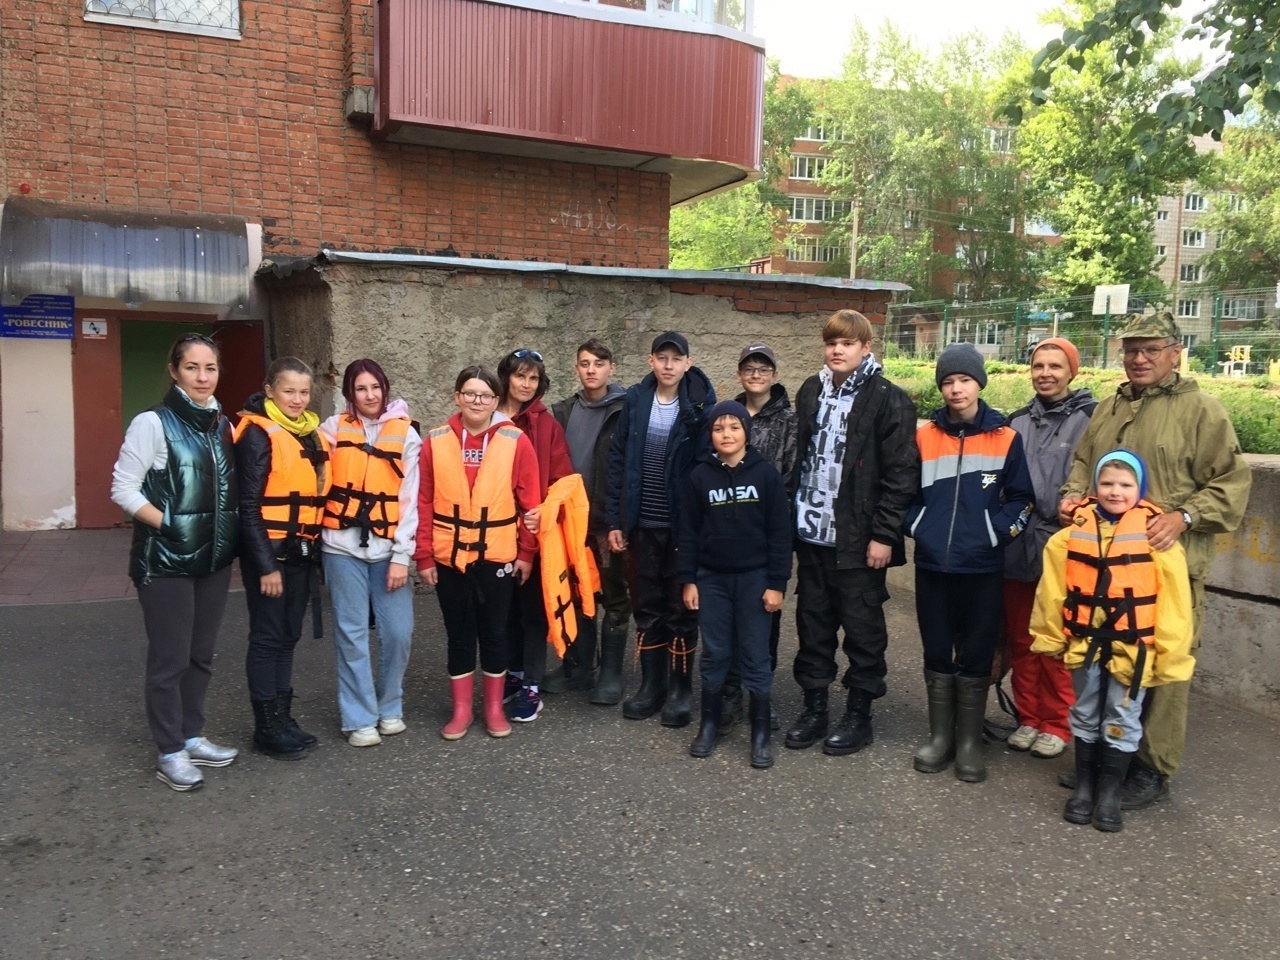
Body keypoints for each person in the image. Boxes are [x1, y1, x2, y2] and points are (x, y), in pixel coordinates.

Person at [1058, 312, 1251, 808]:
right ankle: (1102, 761)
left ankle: (1150, 769)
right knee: (1101, 661)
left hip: (1169, 568)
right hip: (1103, 569)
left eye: (1151, 349)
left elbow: (1230, 482)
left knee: (1160, 668)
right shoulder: (1108, 407)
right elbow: (1084, 462)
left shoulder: (1202, 410)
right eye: (1131, 350)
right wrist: (1074, 495)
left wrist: (1185, 516)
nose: (1139, 359)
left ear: (1175, 351)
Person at [1032, 451, 1194, 832]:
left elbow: (1175, 604)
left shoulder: (1158, 542)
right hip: (1084, 640)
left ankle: (1109, 792)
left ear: (1140, 490)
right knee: (1086, 710)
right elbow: (1052, 591)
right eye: (1107, 484)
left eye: (1125, 485)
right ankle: (1085, 788)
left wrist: (1170, 654)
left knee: (1123, 715)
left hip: (1132, 648)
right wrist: (1050, 636)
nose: (1115, 492)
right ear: (1094, 488)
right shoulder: (1068, 538)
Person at [785, 311, 920, 756]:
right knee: (813, 625)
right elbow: (799, 459)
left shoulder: (888, 399)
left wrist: (884, 535)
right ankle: (815, 709)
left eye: (847, 343)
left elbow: (901, 475)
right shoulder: (810, 391)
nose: (837, 350)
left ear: (865, 347)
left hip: (860, 543)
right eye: (831, 342)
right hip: (812, 535)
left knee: (863, 631)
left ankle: (859, 715)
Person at [111, 333, 240, 791]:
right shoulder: (153, 423)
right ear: (174, 370)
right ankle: (170, 751)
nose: (202, 377)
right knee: (169, 660)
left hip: (213, 559)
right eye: (192, 367)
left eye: (210, 368)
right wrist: (170, 525)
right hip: (165, 561)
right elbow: (123, 489)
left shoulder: (221, 424)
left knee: (200, 655)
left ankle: (191, 734)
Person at [908, 342, 1034, 783]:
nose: (955, 389)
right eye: (947, 381)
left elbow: (1022, 499)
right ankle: (940, 739)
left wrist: (994, 533)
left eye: (963, 380)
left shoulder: (1006, 438)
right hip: (933, 564)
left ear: (979, 382)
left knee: (977, 653)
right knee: (937, 649)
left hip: (982, 566)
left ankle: (968, 744)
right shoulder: (924, 436)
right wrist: (918, 525)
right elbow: (904, 492)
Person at [413, 365, 542, 741]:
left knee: (495, 632)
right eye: (469, 393)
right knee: (458, 633)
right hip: (448, 555)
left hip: (497, 554)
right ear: (457, 397)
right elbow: (422, 502)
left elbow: (529, 502)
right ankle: (462, 709)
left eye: (485, 395)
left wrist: (527, 553)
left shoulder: (515, 440)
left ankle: (492, 708)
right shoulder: (435, 441)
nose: (477, 401)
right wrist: (422, 555)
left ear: (496, 401)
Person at [605, 330, 716, 728]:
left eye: (676, 359)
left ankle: (680, 689)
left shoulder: (702, 407)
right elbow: (619, 461)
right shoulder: (635, 401)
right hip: (641, 525)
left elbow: (707, 471)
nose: (668, 365)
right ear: (651, 361)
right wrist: (617, 520)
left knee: (681, 608)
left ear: (688, 363)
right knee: (646, 606)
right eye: (661, 357)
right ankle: (651, 686)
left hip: (681, 528)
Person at [679, 401, 791, 768]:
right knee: (715, 653)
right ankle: (709, 723)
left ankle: (760, 733)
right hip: (711, 580)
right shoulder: (699, 477)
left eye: (734, 427)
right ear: (710, 435)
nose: (726, 434)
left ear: (746, 432)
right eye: (718, 428)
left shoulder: (765, 476)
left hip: (755, 580)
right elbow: (689, 533)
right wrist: (688, 580)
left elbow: (779, 534)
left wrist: (777, 583)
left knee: (755, 654)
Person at [1002, 338, 1096, 760]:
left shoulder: (1091, 420)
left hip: (1064, 547)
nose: (1045, 373)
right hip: (1019, 545)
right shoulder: (1016, 421)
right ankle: (1028, 716)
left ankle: (1057, 721)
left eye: (1055, 366)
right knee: (1022, 638)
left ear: (1071, 371)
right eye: (1038, 365)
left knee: (1056, 640)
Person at [319, 359, 421, 747]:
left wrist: (401, 556)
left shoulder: (407, 436)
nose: (370, 395)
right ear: (350, 393)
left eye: (375, 387)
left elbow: (411, 501)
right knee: (352, 634)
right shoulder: (331, 430)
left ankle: (390, 705)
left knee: (398, 632)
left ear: (385, 389)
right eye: (361, 389)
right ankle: (359, 717)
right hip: (340, 547)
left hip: (386, 551)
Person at [235, 357, 331, 761]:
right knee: (267, 637)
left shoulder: (309, 434)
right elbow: (248, 505)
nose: (297, 399)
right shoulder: (257, 435)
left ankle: (283, 717)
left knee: (288, 636)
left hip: (302, 552)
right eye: (288, 390)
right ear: (269, 389)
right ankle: (266, 726)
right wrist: (265, 566)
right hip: (272, 553)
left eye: (304, 392)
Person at [548, 338, 631, 704]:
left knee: (613, 594)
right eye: (585, 363)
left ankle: (611, 673)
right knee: (578, 592)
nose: (592, 370)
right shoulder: (563, 410)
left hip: (605, 520)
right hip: (570, 522)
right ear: (576, 369)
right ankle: (580, 667)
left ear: (611, 368)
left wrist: (622, 518)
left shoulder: (627, 408)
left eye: (599, 363)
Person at [495, 348, 573, 723]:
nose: (526, 384)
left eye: (533, 378)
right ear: (506, 377)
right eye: (520, 376)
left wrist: (546, 509)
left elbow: (563, 479)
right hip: (491, 531)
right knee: (502, 610)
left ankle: (532, 685)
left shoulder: (547, 425)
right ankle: (511, 674)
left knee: (532, 612)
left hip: (532, 531)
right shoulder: (487, 418)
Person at [722, 342, 797, 728]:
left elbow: (789, 479)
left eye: (763, 368)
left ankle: (760, 701)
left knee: (764, 617)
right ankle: (730, 696)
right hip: (728, 532)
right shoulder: (728, 417)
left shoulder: (788, 421)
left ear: (774, 375)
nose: (755, 374)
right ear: (739, 374)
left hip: (767, 533)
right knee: (729, 619)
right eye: (748, 368)